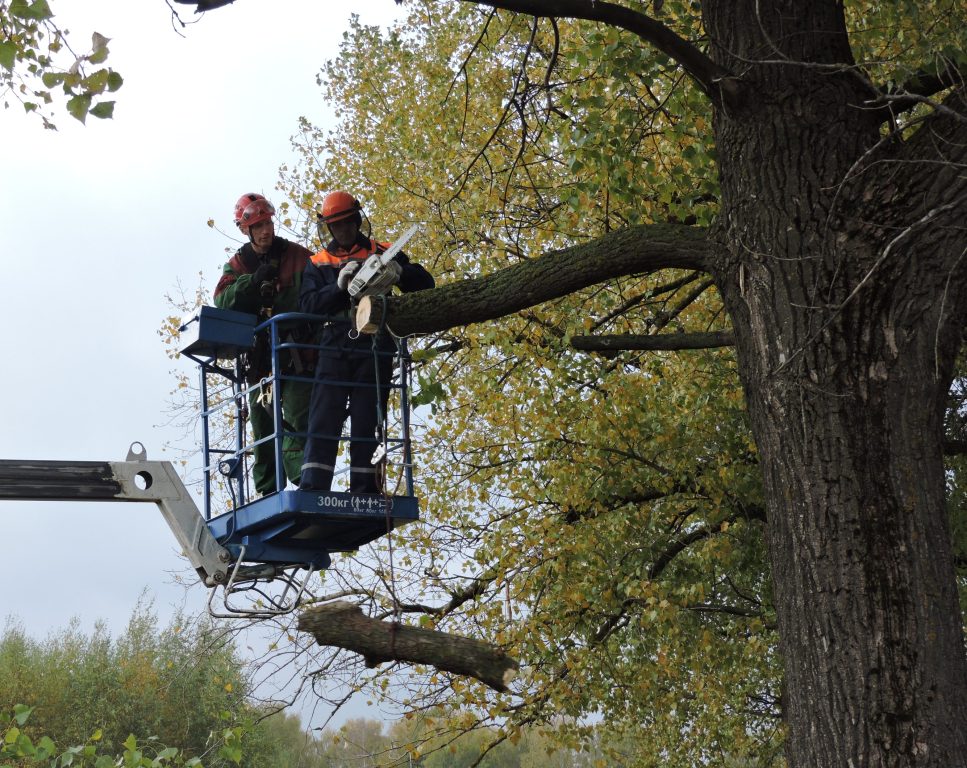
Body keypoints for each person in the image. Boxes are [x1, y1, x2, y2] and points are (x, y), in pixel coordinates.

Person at [299, 191, 434, 494]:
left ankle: (366, 486)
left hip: (375, 344)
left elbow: (427, 284)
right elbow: (307, 307)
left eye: (348, 223)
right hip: (333, 345)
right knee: (324, 417)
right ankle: (313, 486)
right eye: (337, 226)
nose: (344, 230)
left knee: (368, 418)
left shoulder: (383, 251)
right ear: (328, 228)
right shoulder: (319, 263)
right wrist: (337, 287)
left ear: (358, 220)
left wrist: (400, 273)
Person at [213, 192, 314, 496]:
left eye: (267, 223)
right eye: (257, 226)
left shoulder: (298, 256)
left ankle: (305, 485)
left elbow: (322, 288)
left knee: (299, 419)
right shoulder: (238, 265)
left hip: (299, 352)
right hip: (260, 359)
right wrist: (252, 282)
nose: (265, 230)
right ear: (246, 230)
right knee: (263, 426)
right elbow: (222, 302)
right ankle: (269, 492)